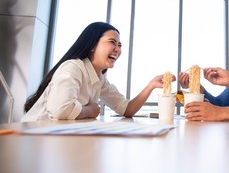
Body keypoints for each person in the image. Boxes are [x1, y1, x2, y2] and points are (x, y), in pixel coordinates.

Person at [22, 22, 175, 122]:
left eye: (120, 45)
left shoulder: (99, 79)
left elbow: (126, 109)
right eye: (112, 42)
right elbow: (60, 110)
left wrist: (151, 86)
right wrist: (90, 110)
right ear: (92, 45)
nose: (118, 49)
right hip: (32, 139)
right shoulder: (73, 67)